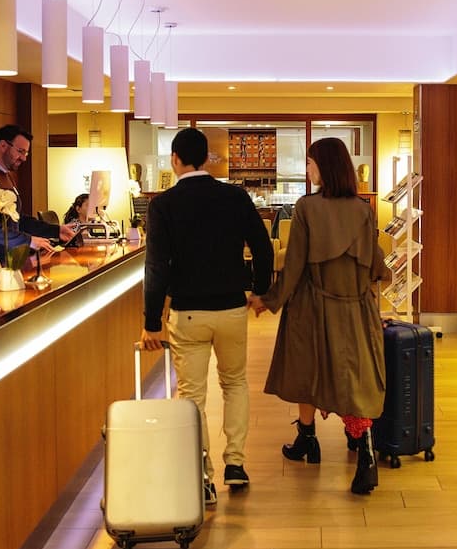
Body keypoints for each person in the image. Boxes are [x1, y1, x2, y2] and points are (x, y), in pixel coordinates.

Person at [139, 127, 274, 506]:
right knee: (235, 383)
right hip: (231, 308)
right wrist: (260, 290)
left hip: (188, 312)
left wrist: (152, 322)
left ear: (175, 160)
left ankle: (202, 476)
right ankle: (236, 463)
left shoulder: (163, 205)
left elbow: (156, 267)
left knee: (192, 395)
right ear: (206, 159)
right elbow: (262, 246)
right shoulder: (234, 196)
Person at [249, 137, 387, 495]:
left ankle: (308, 440)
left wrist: (270, 300)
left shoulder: (307, 207)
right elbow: (375, 264)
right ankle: (365, 451)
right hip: (355, 307)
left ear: (324, 166)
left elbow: (294, 265)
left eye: (310, 163)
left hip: (312, 304)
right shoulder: (363, 210)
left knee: (305, 369)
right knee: (353, 376)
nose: (307, 169)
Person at [0, 124, 74, 261]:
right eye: (20, 151)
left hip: (11, 258)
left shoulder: (7, 175)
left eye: (26, 153)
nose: (24, 158)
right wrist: (27, 241)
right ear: (3, 145)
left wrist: (56, 230)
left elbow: (17, 219)